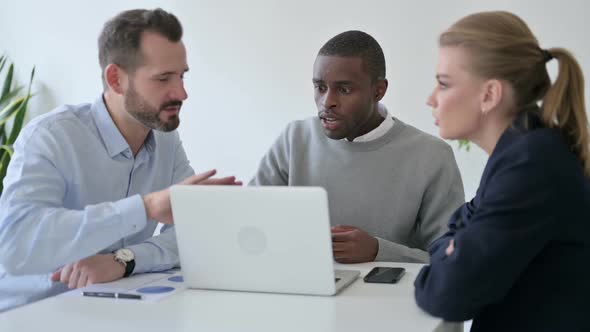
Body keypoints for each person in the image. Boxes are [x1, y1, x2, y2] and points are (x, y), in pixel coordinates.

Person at [0, 8, 239, 312]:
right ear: (116, 79)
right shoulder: (50, 137)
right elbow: (17, 243)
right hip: (30, 314)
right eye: (163, 78)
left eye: (181, 76)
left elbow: (193, 232)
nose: (181, 93)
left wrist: (123, 261)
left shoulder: (165, 138)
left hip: (108, 308)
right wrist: (146, 207)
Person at [414, 11, 590, 331]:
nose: (431, 99)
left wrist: (449, 256)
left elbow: (449, 294)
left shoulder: (532, 165)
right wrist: (451, 249)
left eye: (443, 83)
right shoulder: (523, 149)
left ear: (490, 95)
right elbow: (455, 229)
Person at [250, 30, 465, 264]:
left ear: (378, 90)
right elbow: (249, 224)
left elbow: (452, 259)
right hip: (297, 287)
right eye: (320, 87)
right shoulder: (295, 139)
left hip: (386, 297)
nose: (327, 102)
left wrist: (378, 251)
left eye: (344, 89)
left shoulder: (432, 156)